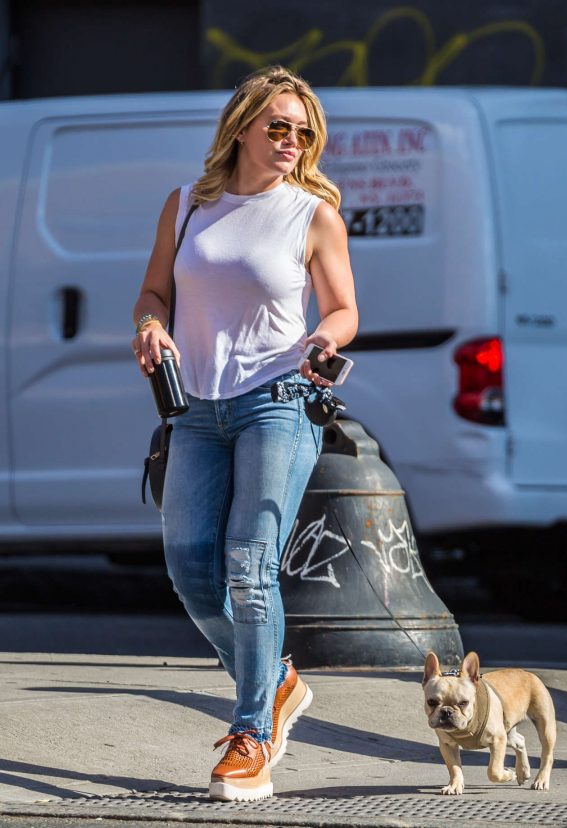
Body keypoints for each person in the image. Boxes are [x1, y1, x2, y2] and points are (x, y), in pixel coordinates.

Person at [131, 65, 358, 802]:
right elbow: (154, 290)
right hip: (195, 406)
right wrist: (150, 324)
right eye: (279, 127)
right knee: (191, 571)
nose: (293, 141)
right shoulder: (186, 206)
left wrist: (325, 341)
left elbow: (344, 308)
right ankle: (279, 680)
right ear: (242, 127)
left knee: (249, 566)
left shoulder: (313, 213)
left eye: (304, 132)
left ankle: (252, 731)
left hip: (279, 400)